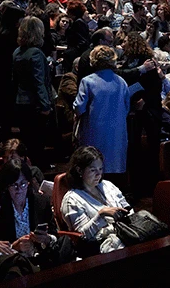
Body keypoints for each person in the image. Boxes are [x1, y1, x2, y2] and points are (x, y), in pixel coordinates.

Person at [60, 146, 131, 254]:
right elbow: (81, 237)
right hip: (101, 247)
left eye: (101, 169)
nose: (98, 174)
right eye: (93, 170)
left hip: (126, 234)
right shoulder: (72, 199)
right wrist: (101, 215)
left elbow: (128, 210)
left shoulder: (107, 185)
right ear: (79, 170)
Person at [74, 45, 129, 175]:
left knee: (93, 171)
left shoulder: (87, 82)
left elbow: (79, 108)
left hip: (94, 133)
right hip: (117, 135)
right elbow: (126, 108)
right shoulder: (121, 82)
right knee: (114, 175)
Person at [12, 16, 55, 168]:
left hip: (20, 101)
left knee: (27, 139)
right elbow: (39, 82)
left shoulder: (17, 52)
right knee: (37, 140)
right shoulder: (36, 53)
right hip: (35, 103)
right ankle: (39, 169)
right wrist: (45, 105)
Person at [0, 159, 57, 253]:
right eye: (14, 185)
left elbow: (54, 233)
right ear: (6, 186)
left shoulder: (41, 201)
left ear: (28, 183)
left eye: (23, 184)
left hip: (41, 255)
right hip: (13, 260)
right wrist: (14, 247)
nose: (19, 190)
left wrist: (47, 239)